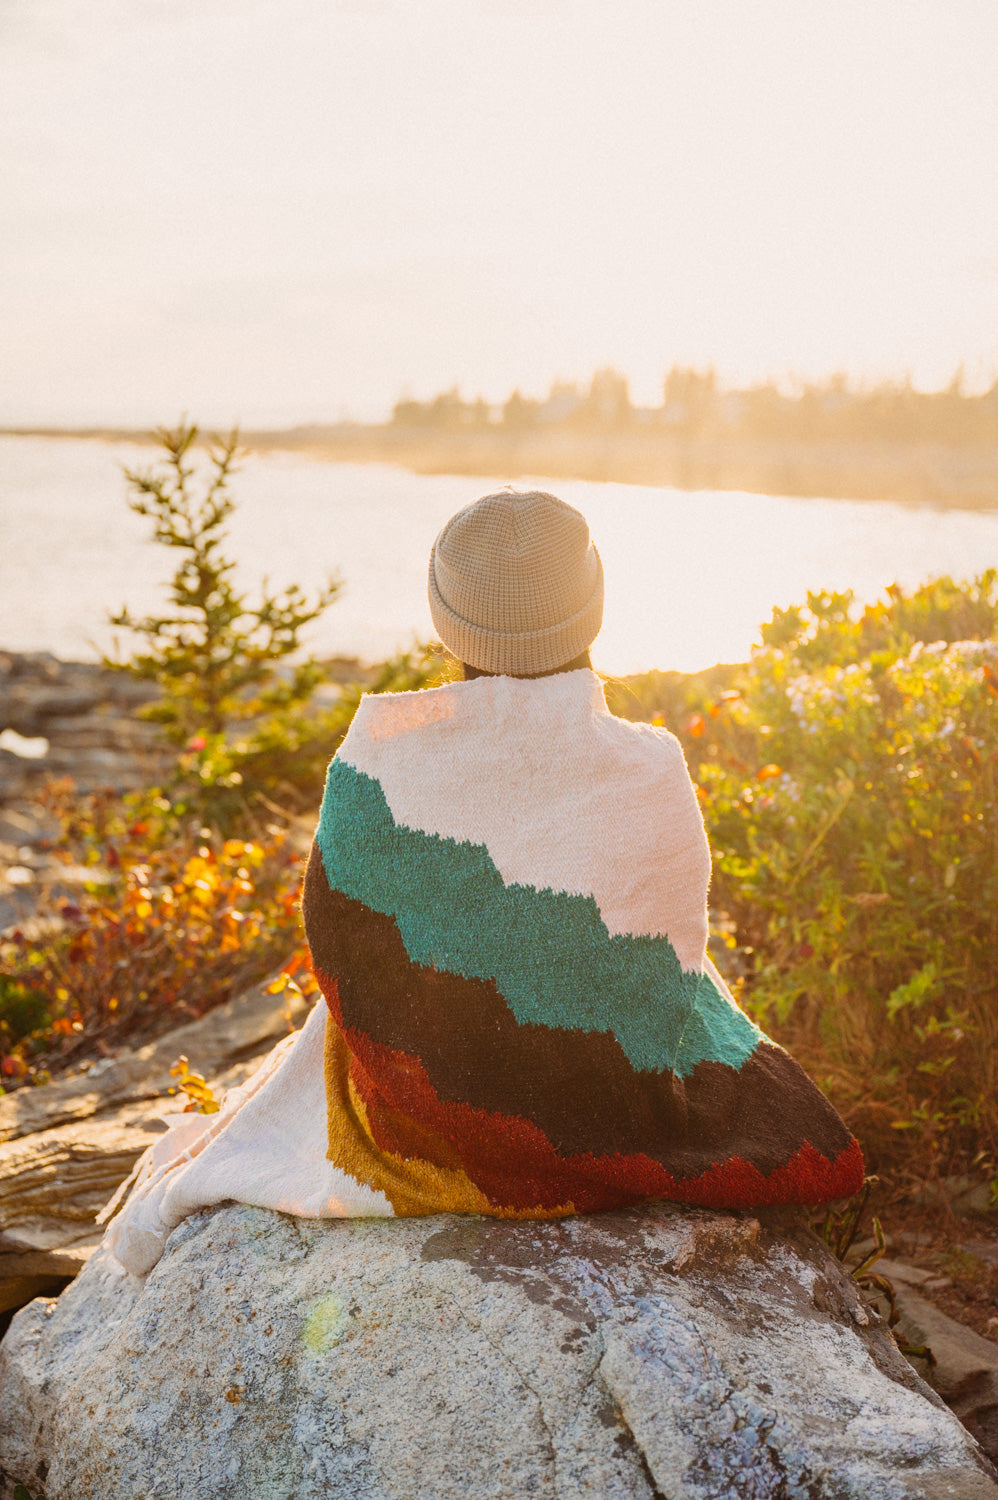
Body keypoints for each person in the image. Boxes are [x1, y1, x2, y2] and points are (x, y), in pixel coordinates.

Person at [105, 489, 862, 1276]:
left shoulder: (379, 762)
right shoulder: (652, 766)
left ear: (445, 622)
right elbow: (663, 965)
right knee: (702, 997)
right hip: (604, 1105)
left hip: (422, 1121)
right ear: (593, 609)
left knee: (336, 1028)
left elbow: (349, 967)